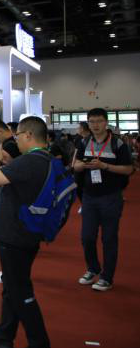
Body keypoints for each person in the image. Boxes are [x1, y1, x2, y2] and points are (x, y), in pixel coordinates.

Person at [0, 116, 52, 348]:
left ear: (29, 135)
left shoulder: (29, 161)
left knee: (21, 292)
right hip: (27, 232)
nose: (16, 140)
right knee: (12, 287)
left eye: (18, 135)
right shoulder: (45, 159)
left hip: (15, 235)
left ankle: (39, 342)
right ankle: (4, 334)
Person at [73, 108, 133, 291]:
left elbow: (128, 169)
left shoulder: (118, 143)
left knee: (109, 238)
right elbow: (75, 165)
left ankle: (107, 277)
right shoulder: (84, 142)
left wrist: (104, 166)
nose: (95, 125)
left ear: (106, 123)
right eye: (92, 122)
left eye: (99, 121)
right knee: (87, 237)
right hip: (89, 197)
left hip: (111, 197)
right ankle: (93, 269)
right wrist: (81, 166)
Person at [0, 120, 22, 285]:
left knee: (6, 237)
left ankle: (7, 273)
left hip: (9, 195)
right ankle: (8, 272)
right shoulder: (13, 145)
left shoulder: (9, 146)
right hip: (11, 195)